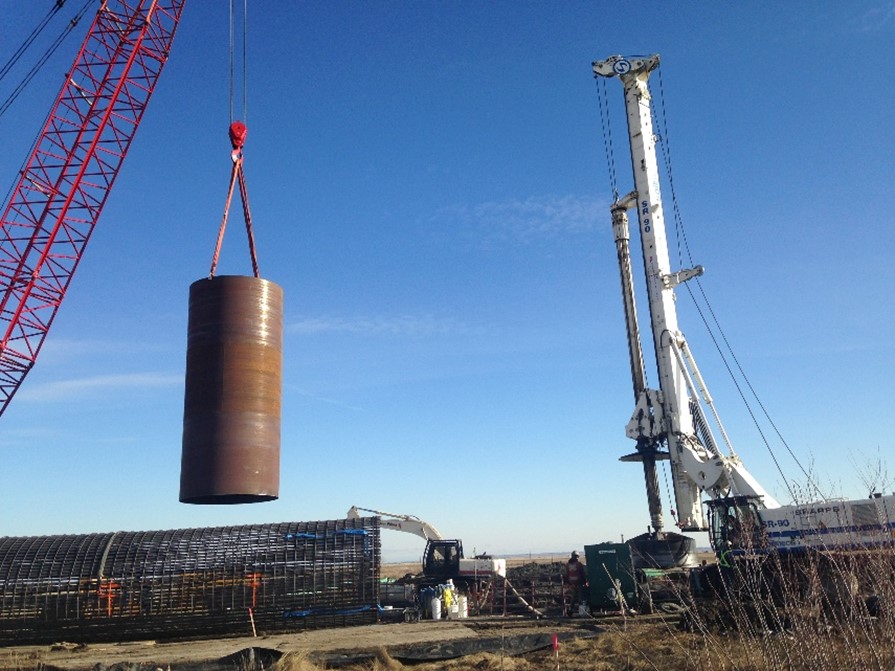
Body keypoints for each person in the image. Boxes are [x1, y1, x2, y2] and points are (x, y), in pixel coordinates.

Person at [563, 551, 588, 615]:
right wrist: (585, 581)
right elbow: (582, 574)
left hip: (572, 584)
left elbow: (566, 575)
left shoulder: (568, 565)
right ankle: (581, 612)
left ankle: (571, 610)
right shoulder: (579, 564)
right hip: (579, 583)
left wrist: (568, 583)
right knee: (580, 598)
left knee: (573, 598)